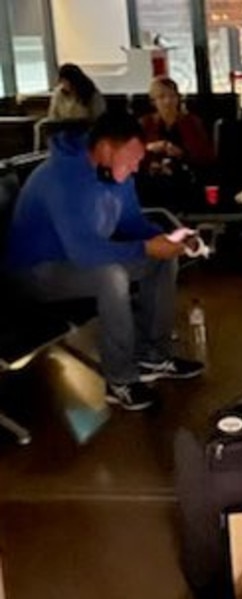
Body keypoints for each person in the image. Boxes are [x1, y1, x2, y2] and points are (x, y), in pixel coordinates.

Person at [4, 112, 204, 411]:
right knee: (111, 275)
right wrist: (148, 247)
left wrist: (170, 239)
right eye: (132, 160)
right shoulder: (61, 179)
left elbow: (133, 223)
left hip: (77, 261)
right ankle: (119, 379)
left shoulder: (114, 173)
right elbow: (85, 252)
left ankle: (153, 354)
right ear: (107, 149)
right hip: (34, 273)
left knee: (162, 261)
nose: (136, 168)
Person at [137, 76, 215, 209]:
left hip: (185, 175)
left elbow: (206, 156)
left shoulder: (192, 122)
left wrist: (182, 153)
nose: (168, 101)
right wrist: (150, 149)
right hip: (153, 178)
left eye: (172, 96)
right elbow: (132, 155)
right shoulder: (145, 123)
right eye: (161, 97)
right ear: (153, 101)